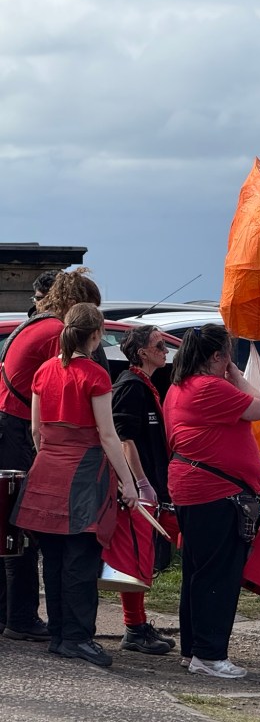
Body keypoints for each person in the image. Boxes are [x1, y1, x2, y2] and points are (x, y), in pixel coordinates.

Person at [11, 303, 140, 667]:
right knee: (80, 561)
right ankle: (76, 637)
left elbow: (36, 430)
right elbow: (108, 435)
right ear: (97, 334)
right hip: (82, 472)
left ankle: (59, 634)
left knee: (52, 559)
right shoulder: (96, 374)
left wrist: (50, 455)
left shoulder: (44, 370)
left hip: (47, 467)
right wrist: (128, 484)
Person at [0, 267, 102, 642]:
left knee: (9, 527)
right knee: (26, 529)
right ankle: (22, 618)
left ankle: (9, 613)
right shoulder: (56, 334)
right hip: (16, 429)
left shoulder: (31, 325)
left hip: (8, 422)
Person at [165, 323, 260, 679]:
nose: (231, 361)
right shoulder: (210, 387)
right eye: (228, 354)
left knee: (198, 570)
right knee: (218, 575)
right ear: (216, 356)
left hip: (194, 489)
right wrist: (236, 373)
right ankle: (209, 654)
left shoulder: (179, 388)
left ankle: (194, 649)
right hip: (215, 493)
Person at [111, 325, 175, 655]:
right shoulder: (130, 386)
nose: (166, 351)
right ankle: (134, 628)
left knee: (144, 558)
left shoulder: (145, 384)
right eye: (160, 346)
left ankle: (137, 625)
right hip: (140, 488)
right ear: (143, 353)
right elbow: (124, 437)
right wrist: (141, 483)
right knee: (136, 559)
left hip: (152, 483)